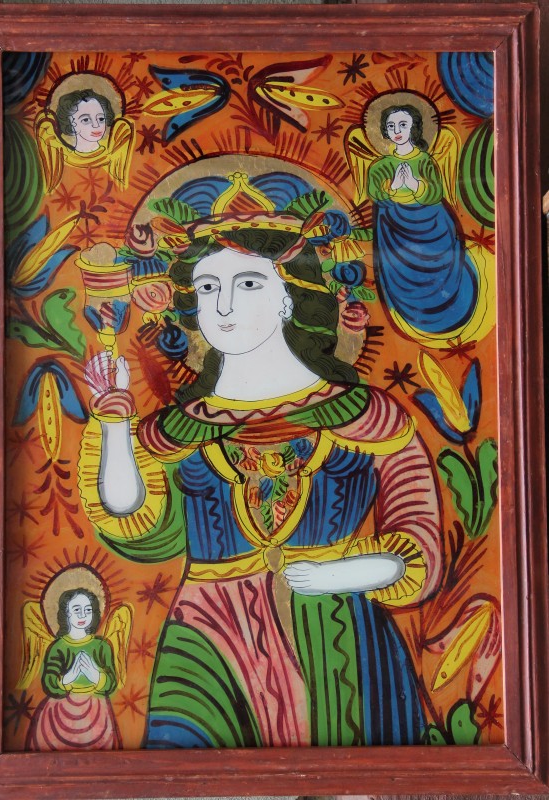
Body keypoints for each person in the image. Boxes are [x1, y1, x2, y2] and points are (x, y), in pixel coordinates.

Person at [79, 178, 443, 748]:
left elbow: (419, 542)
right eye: (207, 287)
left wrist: (339, 575)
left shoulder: (367, 417)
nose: (223, 306)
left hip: (338, 636)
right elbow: (132, 517)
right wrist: (114, 418)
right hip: (206, 639)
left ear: (290, 294)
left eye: (248, 283)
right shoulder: (176, 428)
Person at [366, 104, 482, 340]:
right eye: (391, 126)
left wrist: (416, 185)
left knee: (442, 265)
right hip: (395, 229)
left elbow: (435, 193)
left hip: (431, 225)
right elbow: (375, 194)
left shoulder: (425, 161)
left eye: (403, 124)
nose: (397, 131)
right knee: (401, 271)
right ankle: (411, 310)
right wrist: (393, 187)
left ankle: (450, 303)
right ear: (385, 131)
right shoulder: (380, 166)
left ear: (414, 128)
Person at [26, 588, 121, 750]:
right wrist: (68, 677)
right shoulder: (58, 647)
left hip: (96, 709)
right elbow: (49, 681)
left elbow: (112, 682)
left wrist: (96, 676)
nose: (83, 615)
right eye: (77, 610)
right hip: (60, 708)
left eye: (88, 610)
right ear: (66, 613)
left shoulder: (102, 646)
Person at [56, 89, 115, 153]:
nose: (96, 125)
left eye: (101, 119)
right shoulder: (62, 156)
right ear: (71, 122)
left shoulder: (113, 153)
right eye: (86, 120)